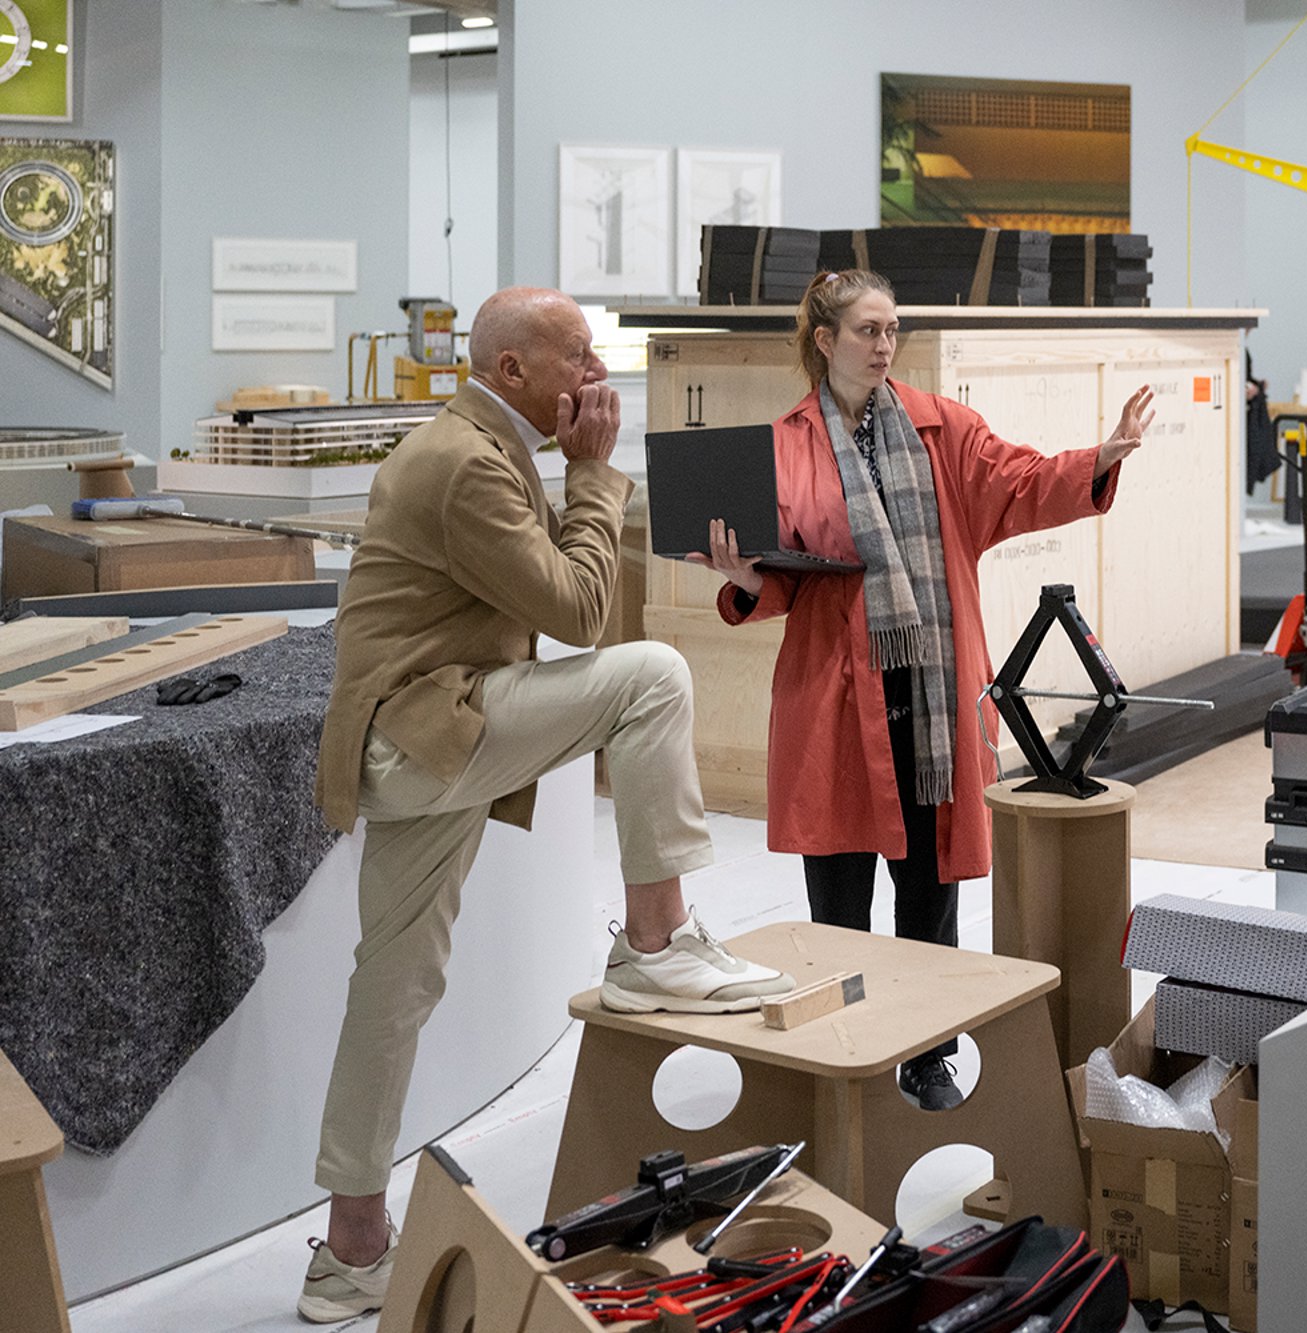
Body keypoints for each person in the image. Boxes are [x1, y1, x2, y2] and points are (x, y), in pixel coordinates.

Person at [300, 287, 794, 1323]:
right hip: (427, 731)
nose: (593, 376)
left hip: (414, 737)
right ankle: (655, 942)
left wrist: (578, 477)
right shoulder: (470, 464)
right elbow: (576, 608)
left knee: (391, 985)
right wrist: (592, 474)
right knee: (651, 672)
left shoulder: (473, 443)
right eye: (576, 356)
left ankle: (350, 1248)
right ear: (513, 369)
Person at [694, 269, 1154, 1111]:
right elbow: (780, 581)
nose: (884, 343)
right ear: (825, 341)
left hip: (932, 697)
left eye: (892, 328)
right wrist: (743, 574)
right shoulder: (785, 444)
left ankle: (926, 1055)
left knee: (928, 888)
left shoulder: (945, 431)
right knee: (836, 897)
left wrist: (1100, 458)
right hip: (835, 699)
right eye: (868, 329)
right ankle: (840, 1050)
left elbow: (1019, 482)